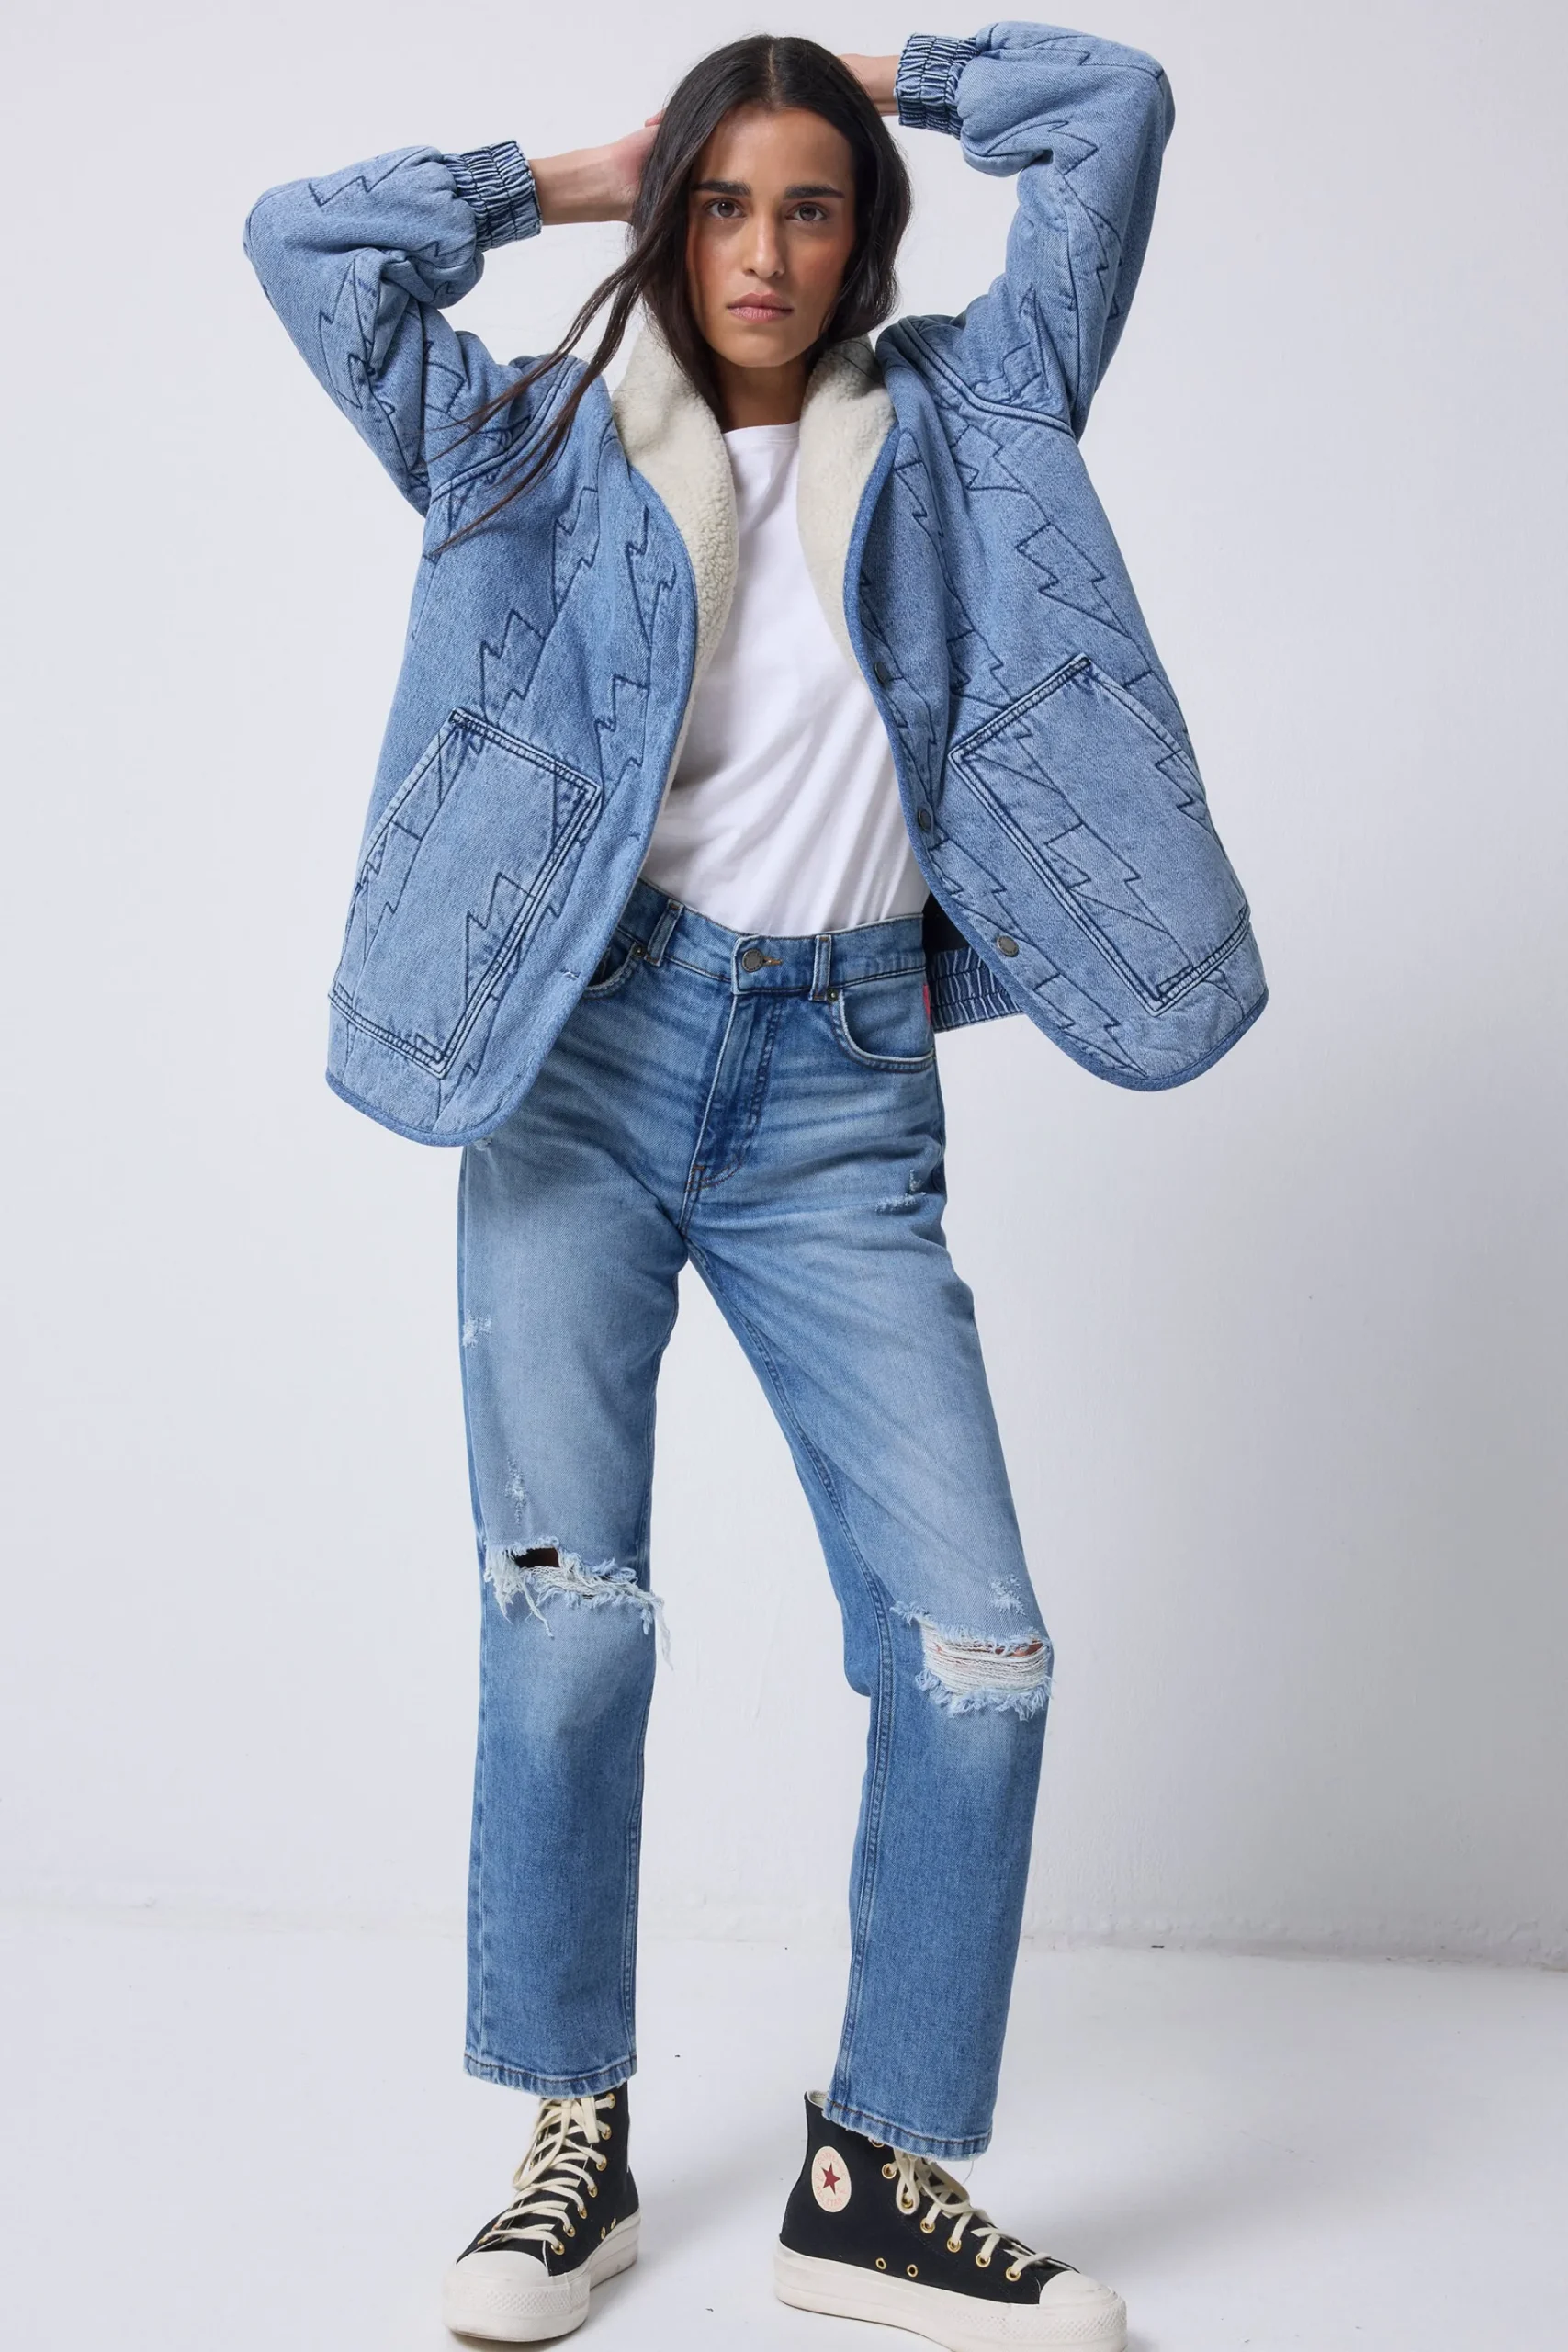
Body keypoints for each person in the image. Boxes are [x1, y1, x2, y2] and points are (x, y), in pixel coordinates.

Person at [244, 24, 1263, 2349]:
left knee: (975, 1655)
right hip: (584, 1061)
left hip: (837, 1093)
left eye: (809, 205)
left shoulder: (982, 419)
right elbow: (301, 248)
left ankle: (874, 2175)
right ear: (670, 217)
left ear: (864, 229)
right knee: (569, 1615)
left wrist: (878, 72)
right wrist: (569, 173)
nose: (766, 251)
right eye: (723, 204)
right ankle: (570, 2143)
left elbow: (1111, 114)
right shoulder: (522, 437)